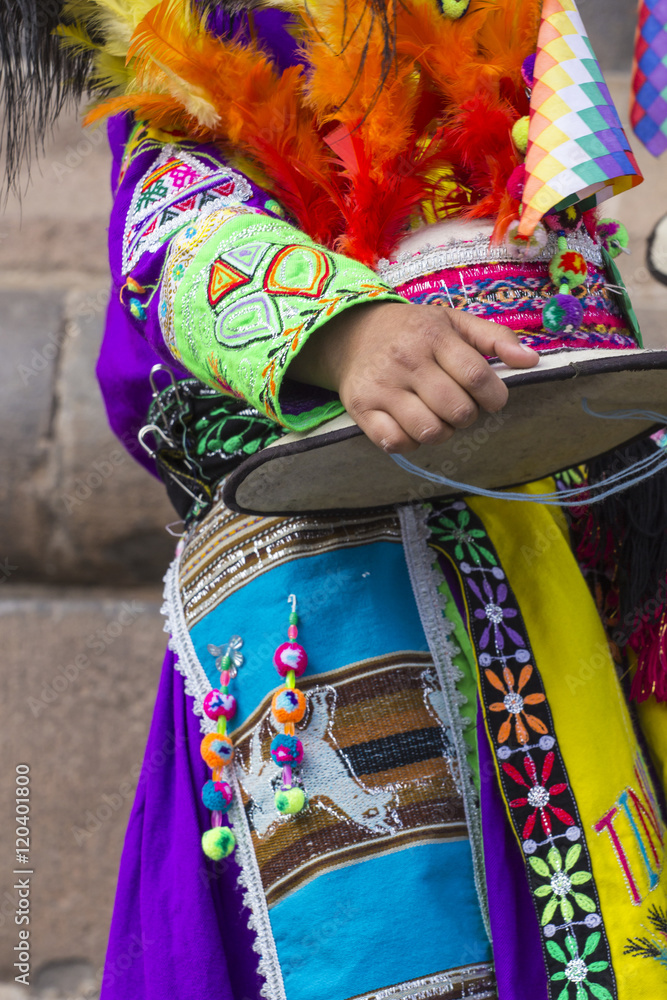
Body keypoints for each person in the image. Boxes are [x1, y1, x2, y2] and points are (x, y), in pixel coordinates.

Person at [5, 2, 666, 999]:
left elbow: (561, 209)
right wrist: (343, 331)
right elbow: (173, 215)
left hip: (578, 511)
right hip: (364, 558)